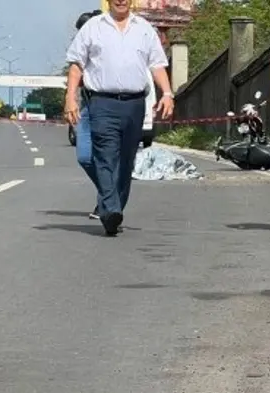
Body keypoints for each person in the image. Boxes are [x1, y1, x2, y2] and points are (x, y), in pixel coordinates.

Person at [64, 0, 174, 236]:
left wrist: (167, 93)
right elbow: (76, 66)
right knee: (105, 156)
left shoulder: (144, 29)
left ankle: (113, 210)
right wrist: (70, 98)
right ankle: (110, 209)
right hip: (102, 103)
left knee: (126, 160)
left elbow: (157, 65)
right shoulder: (93, 27)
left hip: (135, 104)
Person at [72, 9, 103, 220]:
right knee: (85, 156)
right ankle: (108, 192)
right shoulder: (80, 54)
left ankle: (108, 202)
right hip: (88, 107)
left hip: (113, 108)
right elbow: (75, 75)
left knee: (110, 159)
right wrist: (70, 99)